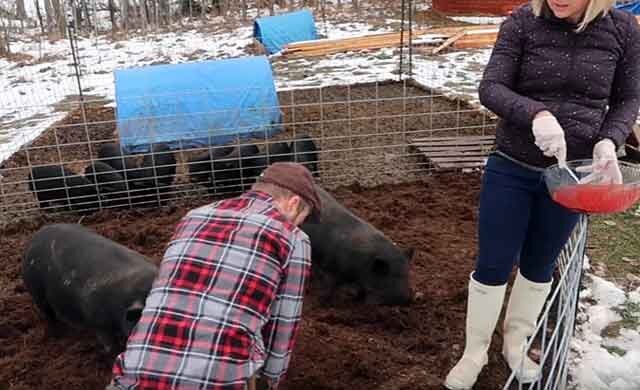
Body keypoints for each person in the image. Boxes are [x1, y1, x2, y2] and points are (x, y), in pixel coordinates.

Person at [444, 0, 640, 389]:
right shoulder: (522, 21)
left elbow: (627, 99)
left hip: (572, 175)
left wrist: (608, 140)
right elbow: (491, 87)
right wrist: (536, 114)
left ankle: (516, 342)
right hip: (512, 165)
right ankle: (475, 350)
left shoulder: (624, 30)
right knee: (493, 263)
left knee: (540, 263)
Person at [106, 161, 321, 390]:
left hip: (135, 372)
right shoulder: (293, 238)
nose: (299, 224)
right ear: (294, 203)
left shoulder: (194, 216)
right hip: (215, 379)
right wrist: (270, 381)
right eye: (302, 217)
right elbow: (282, 326)